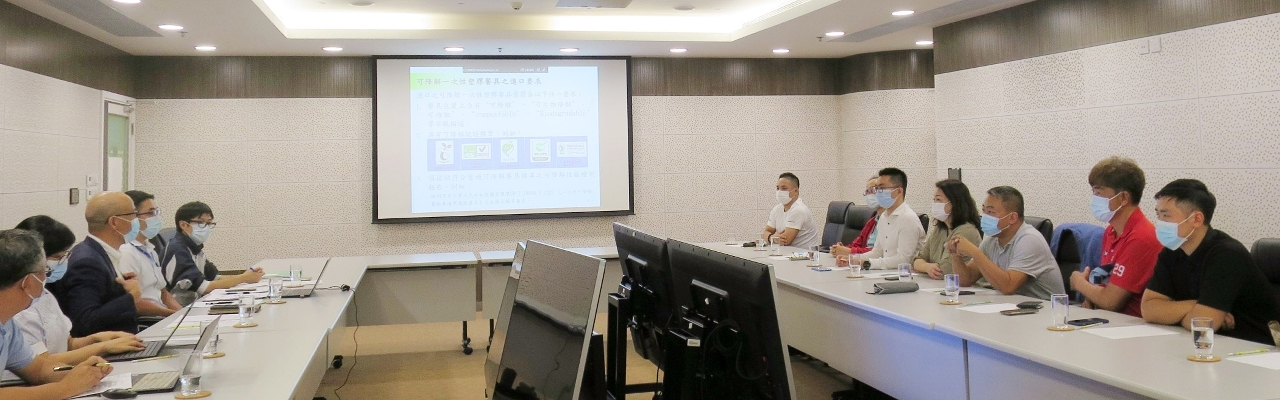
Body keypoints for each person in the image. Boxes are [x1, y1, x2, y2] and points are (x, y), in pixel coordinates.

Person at [1141, 179, 1280, 345]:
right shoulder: (1172, 251)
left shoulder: (1227, 254)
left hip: (1256, 348)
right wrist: (1194, 305)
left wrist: (1178, 312)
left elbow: (1203, 323)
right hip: (1212, 344)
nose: (1160, 223)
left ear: (1197, 219)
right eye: (1158, 215)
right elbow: (1149, 309)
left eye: (1166, 216)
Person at [8, 217, 144, 378]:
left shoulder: (45, 294)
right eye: (57, 257)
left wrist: (97, 339)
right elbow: (40, 364)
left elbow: (67, 343)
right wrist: (103, 347)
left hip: (60, 375)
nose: (64, 261)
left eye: (66, 255)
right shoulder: (17, 308)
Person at [0, 229, 115, 399]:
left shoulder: (8, 325)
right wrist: (64, 388)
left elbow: (39, 369)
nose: (46, 279)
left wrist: (79, 372)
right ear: (28, 282)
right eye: (45, 272)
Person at [1069, 157, 1162, 317]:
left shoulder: (1142, 237)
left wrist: (1079, 283)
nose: (1094, 198)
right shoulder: (1111, 232)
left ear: (1123, 198)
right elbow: (1106, 282)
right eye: (1093, 192)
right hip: (1108, 319)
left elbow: (1111, 301)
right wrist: (1091, 299)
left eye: (1099, 193)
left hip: (1133, 324)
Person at [948, 186, 1065, 300]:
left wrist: (974, 251)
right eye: (984, 211)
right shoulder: (992, 239)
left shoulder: (1030, 240)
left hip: (1046, 308)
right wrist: (955, 254)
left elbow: (1008, 287)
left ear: (1013, 218)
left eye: (991, 211)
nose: (985, 217)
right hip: (1013, 305)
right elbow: (966, 280)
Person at [53, 192, 143, 336]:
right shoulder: (87, 262)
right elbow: (86, 320)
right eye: (133, 214)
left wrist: (123, 289)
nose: (136, 220)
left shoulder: (101, 252)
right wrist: (132, 297)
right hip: (107, 345)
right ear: (114, 222)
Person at [162, 201, 263, 301]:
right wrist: (244, 278)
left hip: (196, 303)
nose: (206, 227)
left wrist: (246, 276)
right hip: (181, 308)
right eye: (201, 222)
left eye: (209, 223)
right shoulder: (177, 250)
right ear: (183, 225)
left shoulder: (195, 247)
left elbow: (215, 277)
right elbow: (205, 288)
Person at [840, 168, 925, 270]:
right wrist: (852, 259)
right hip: (885, 272)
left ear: (898, 191)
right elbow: (877, 252)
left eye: (882, 188)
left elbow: (903, 260)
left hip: (904, 275)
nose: (877, 193)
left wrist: (867, 263)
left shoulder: (908, 218)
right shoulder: (884, 217)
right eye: (877, 189)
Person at [117, 191, 182, 316]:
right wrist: (171, 315)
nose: (156, 217)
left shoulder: (150, 249)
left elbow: (163, 293)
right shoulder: (126, 252)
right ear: (133, 217)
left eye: (157, 212)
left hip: (162, 315)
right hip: (148, 320)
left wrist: (183, 315)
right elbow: (134, 302)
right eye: (151, 213)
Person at [911, 179, 982, 279]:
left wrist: (925, 267)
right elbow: (917, 259)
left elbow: (944, 270)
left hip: (961, 286)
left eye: (939, 200)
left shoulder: (967, 231)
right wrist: (927, 267)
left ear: (954, 202)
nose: (935, 204)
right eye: (934, 200)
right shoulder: (940, 229)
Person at [762, 173, 820, 249]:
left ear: (796, 191)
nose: (779, 192)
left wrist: (771, 237)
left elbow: (785, 241)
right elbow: (765, 233)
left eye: (784, 188)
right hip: (786, 253)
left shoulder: (799, 210)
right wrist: (771, 237)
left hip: (805, 254)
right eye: (778, 188)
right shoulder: (777, 209)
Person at [829, 177, 883, 257]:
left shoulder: (892, 221)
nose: (869, 195)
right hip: (863, 260)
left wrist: (849, 251)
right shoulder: (872, 221)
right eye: (867, 192)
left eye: (873, 189)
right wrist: (841, 249)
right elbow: (857, 244)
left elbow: (879, 253)